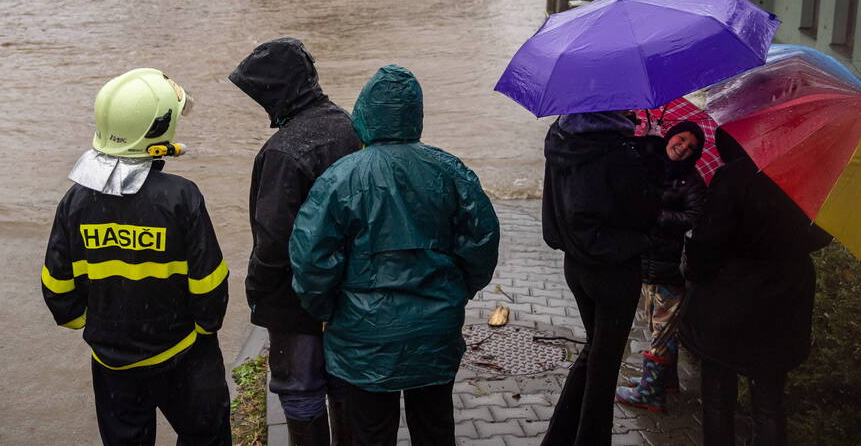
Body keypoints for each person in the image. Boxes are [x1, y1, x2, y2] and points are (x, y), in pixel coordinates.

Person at [289, 65, 500, 446]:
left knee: (371, 433)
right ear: (415, 114)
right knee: (435, 427)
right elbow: (482, 240)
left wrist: (326, 309)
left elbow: (311, 260)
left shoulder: (339, 178)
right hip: (435, 328)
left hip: (363, 336)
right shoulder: (449, 170)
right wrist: (459, 290)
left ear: (365, 113)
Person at [42, 68, 231, 446]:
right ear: (160, 131)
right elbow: (210, 284)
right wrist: (203, 329)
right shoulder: (181, 197)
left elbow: (57, 288)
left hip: (112, 362)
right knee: (204, 435)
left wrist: (99, 327)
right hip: (183, 354)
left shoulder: (76, 201)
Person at [229, 38, 362, 446]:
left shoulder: (284, 152)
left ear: (278, 90)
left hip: (295, 298)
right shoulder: (350, 125)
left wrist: (259, 292)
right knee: (344, 381)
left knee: (300, 387)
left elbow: (273, 240)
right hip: (353, 290)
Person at [679, 129, 831, 446]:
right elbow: (822, 235)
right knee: (769, 403)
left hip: (728, 302)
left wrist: (692, 264)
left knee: (719, 399)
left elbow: (708, 244)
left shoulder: (735, 176)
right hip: (783, 302)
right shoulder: (808, 176)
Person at [539, 110, 661, 446]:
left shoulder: (559, 138)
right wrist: (652, 155)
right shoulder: (619, 152)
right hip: (613, 270)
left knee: (594, 352)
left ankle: (558, 438)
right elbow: (644, 213)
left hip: (575, 265)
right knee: (605, 367)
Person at [616, 121, 707, 413]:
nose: (682, 148)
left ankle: (650, 393)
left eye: (691, 147)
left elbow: (694, 217)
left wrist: (658, 215)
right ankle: (664, 382)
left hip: (671, 269)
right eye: (680, 139)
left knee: (661, 331)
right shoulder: (651, 168)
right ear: (669, 136)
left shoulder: (691, 182)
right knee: (658, 326)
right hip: (647, 262)